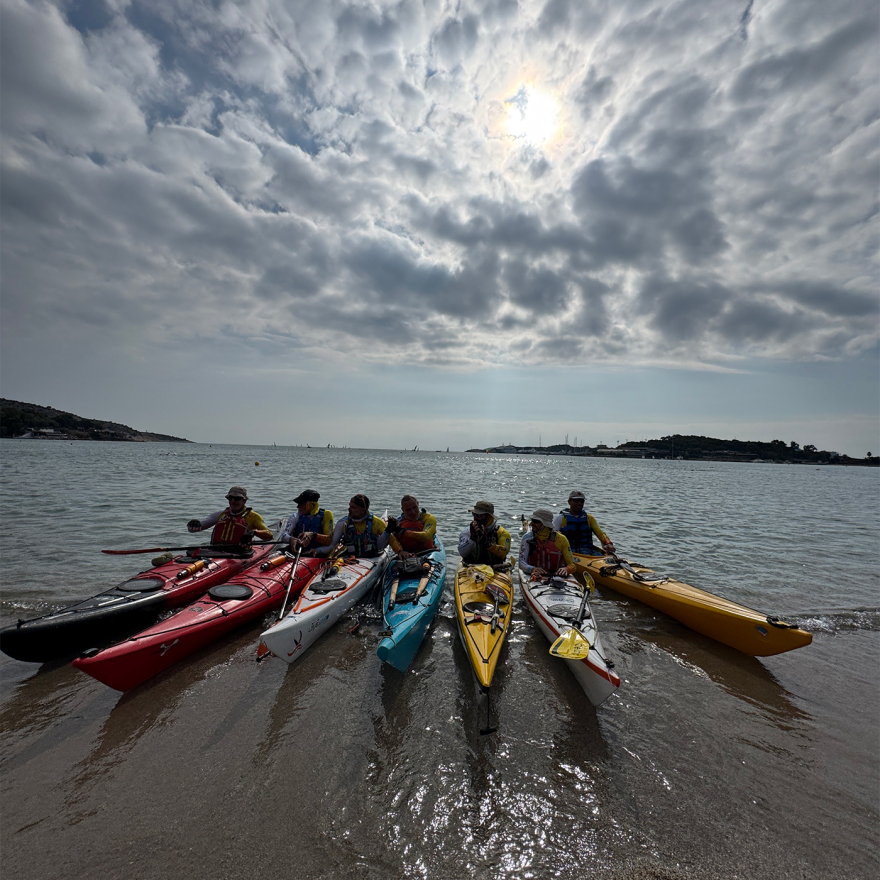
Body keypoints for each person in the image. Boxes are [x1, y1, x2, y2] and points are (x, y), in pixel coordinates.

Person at [187, 486, 273, 544]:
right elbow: (193, 530)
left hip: (241, 553)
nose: (233, 501)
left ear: (244, 501)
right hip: (216, 551)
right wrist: (193, 524)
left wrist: (254, 532)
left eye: (237, 499)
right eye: (230, 498)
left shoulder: (254, 517)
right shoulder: (220, 514)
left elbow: (269, 535)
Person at [323, 494, 391, 558]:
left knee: (386, 534)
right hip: (350, 558)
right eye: (350, 506)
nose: (349, 509)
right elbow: (332, 545)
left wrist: (399, 552)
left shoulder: (376, 523)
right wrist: (318, 551)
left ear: (362, 510)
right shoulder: (342, 523)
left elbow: (392, 540)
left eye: (353, 507)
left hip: (372, 558)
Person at [552, 491, 615, 556]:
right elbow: (552, 535)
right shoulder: (560, 518)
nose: (579, 503)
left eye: (581, 501)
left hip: (588, 552)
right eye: (576, 501)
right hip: (569, 552)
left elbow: (600, 534)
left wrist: (608, 543)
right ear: (569, 502)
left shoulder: (589, 518)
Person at [519, 508, 576, 578]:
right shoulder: (527, 538)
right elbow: (521, 563)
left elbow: (573, 566)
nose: (531, 524)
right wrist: (532, 569)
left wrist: (567, 569)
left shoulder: (561, 539)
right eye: (532, 521)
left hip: (556, 576)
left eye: (535, 521)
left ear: (545, 524)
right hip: (533, 576)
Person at [280, 490, 334, 555]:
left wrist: (313, 535)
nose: (298, 506)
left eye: (301, 504)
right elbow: (283, 536)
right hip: (297, 550)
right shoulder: (295, 517)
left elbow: (329, 541)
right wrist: (290, 539)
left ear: (312, 504)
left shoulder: (326, 515)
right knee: (275, 554)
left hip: (317, 551)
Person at [458, 500, 511, 566]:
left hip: (495, 569)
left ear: (489, 517)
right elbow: (462, 553)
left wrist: (487, 543)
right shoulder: (467, 532)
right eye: (474, 514)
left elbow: (503, 554)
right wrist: (472, 538)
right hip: (471, 568)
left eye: (479, 515)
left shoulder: (503, 533)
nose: (476, 518)